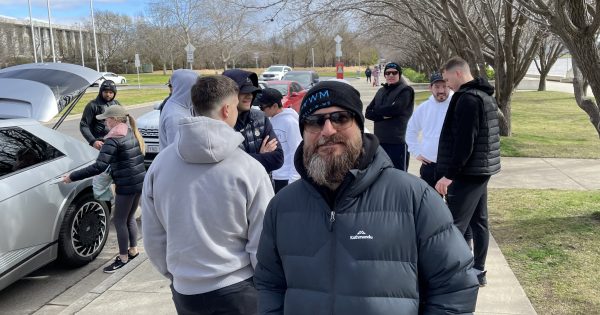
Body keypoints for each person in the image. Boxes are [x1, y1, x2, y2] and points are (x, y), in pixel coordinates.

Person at [254, 81, 479, 314]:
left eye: (340, 118)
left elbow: (455, 287)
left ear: (360, 127)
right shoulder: (282, 206)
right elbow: (269, 284)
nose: (327, 130)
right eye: (314, 121)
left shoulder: (415, 198)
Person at [142, 75, 274, 315]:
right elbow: (262, 240)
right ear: (226, 110)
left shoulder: (159, 165)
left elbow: (153, 236)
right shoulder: (249, 168)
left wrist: (176, 274)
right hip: (239, 288)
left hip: (186, 291)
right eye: (235, 107)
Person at [435, 56, 501, 287]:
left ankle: (450, 275)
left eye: (447, 79)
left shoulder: (469, 99)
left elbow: (465, 143)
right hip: (480, 170)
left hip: (470, 172)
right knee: (479, 222)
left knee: (454, 225)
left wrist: (449, 175)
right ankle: (477, 270)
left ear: (459, 74)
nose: (447, 84)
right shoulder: (483, 95)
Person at [64, 105, 146, 273]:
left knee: (119, 220)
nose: (105, 123)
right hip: (139, 182)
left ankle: (123, 258)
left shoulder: (114, 139)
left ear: (115, 119)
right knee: (129, 217)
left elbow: (99, 167)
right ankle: (133, 250)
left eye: (107, 119)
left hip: (126, 185)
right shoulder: (129, 132)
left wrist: (72, 176)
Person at [223, 69, 284, 173]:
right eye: (244, 91)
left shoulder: (261, 118)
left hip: (263, 187)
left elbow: (278, 158)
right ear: (228, 93)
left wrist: (244, 160)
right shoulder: (219, 123)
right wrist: (261, 156)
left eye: (252, 91)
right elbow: (226, 166)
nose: (250, 95)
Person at [406, 73, 453, 187]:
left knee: (453, 203)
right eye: (437, 87)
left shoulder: (456, 104)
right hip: (429, 164)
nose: (441, 90)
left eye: (444, 86)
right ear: (430, 87)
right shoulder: (424, 108)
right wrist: (416, 151)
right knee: (428, 202)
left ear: (449, 86)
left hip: (451, 165)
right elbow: (411, 130)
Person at [365, 62, 414, 171]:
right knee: (382, 173)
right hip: (380, 141)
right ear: (385, 75)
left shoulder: (406, 90)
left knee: (399, 175)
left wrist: (378, 112)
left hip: (398, 142)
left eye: (394, 73)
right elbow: (368, 112)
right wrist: (384, 115)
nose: (391, 75)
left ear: (399, 74)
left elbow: (396, 109)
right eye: (388, 73)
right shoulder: (381, 91)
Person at [256, 88, 302, 193]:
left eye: (262, 107)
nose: (260, 110)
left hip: (286, 178)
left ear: (275, 106)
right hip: (274, 176)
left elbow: (297, 151)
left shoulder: (290, 122)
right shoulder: (270, 120)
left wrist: (293, 180)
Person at [159, 69, 199, 150]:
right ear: (188, 87)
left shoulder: (182, 106)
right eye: (197, 88)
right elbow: (177, 151)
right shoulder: (175, 115)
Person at [80, 80, 120, 149]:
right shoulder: (92, 105)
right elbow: (84, 125)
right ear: (101, 92)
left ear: (114, 93)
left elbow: (123, 122)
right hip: (100, 144)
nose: (108, 94)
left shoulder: (117, 104)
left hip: (116, 142)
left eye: (111, 92)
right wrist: (93, 141)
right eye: (106, 92)